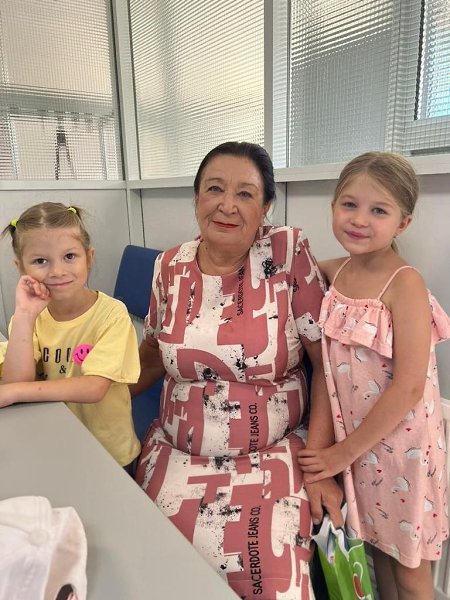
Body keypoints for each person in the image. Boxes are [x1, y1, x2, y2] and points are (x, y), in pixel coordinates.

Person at [132, 141, 342, 599]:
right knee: (151, 578)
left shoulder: (286, 255)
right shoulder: (169, 266)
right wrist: (92, 396)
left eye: (245, 193)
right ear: (196, 198)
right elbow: (151, 354)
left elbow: (326, 364)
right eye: (214, 189)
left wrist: (321, 467)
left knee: (274, 587)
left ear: (266, 207)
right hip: (177, 454)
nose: (227, 205)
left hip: (269, 457)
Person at [297, 152, 450, 600]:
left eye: (378, 210)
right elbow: (294, 268)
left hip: (403, 451)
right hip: (362, 451)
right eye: (349, 205)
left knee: (410, 572)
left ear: (403, 223)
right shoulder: (336, 271)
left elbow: (409, 386)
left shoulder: (405, 283)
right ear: (333, 207)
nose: (360, 220)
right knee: (379, 555)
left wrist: (341, 454)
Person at [0, 202, 141, 470]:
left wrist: (14, 391)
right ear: (21, 268)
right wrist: (25, 315)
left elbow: (94, 387)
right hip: (53, 442)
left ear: (89, 257)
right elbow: (15, 383)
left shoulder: (112, 314)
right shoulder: (29, 317)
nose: (57, 271)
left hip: (109, 453)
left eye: (69, 256)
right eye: (40, 261)